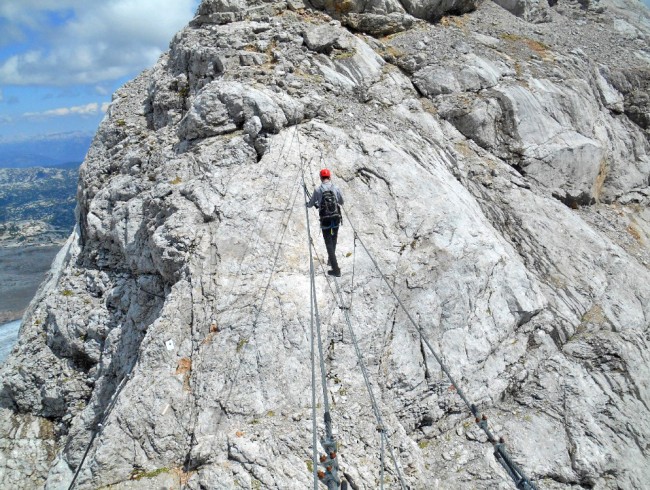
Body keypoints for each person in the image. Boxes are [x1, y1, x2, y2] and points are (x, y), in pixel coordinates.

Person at [307, 168, 344, 277]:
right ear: (329, 177)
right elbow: (341, 201)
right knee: (334, 238)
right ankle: (330, 260)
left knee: (328, 243)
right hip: (336, 217)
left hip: (325, 219)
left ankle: (336, 269)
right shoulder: (335, 187)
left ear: (321, 177)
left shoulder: (318, 190)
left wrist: (307, 205)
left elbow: (311, 203)